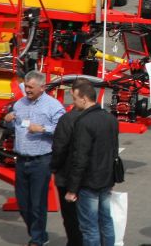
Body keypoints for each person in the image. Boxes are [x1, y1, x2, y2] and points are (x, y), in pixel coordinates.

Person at [6, 70, 65, 246]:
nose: (27, 90)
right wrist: (8, 120)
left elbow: (62, 129)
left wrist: (43, 129)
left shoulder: (53, 106)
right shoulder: (19, 104)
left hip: (41, 161)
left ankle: (38, 239)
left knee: (38, 203)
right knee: (23, 203)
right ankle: (38, 233)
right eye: (26, 86)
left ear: (42, 87)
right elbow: (12, 126)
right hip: (22, 160)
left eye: (31, 87)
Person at [63, 80, 120, 246]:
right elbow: (114, 150)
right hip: (106, 180)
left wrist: (72, 189)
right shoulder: (110, 119)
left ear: (84, 99)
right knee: (106, 221)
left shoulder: (83, 122)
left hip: (89, 183)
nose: (73, 103)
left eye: (74, 99)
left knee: (90, 227)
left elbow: (80, 158)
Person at [51, 79, 87, 246]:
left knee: (71, 217)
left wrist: (54, 167)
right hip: (93, 178)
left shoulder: (68, 119)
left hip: (68, 176)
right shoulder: (104, 117)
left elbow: (60, 147)